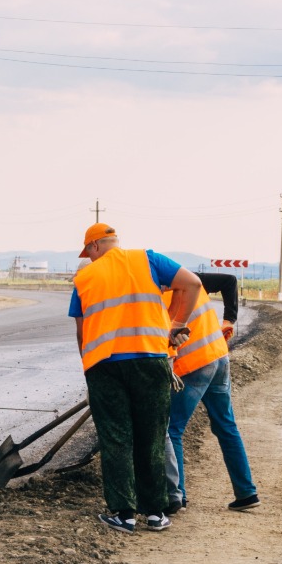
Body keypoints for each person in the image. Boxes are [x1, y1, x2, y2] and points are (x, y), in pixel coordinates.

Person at [71, 223, 201, 534]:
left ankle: (124, 515)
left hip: (104, 365)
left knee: (116, 439)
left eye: (88, 254)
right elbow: (193, 284)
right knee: (152, 438)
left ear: (94, 248)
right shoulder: (149, 260)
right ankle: (156, 514)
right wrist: (175, 324)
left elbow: (81, 330)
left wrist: (89, 371)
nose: (89, 259)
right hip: (150, 360)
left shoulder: (84, 277)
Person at [162, 271, 258, 513]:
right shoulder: (189, 279)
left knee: (172, 428)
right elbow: (229, 281)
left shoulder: (155, 295)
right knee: (226, 425)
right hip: (219, 356)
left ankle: (177, 496)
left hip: (195, 365)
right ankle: (246, 493)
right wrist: (229, 320)